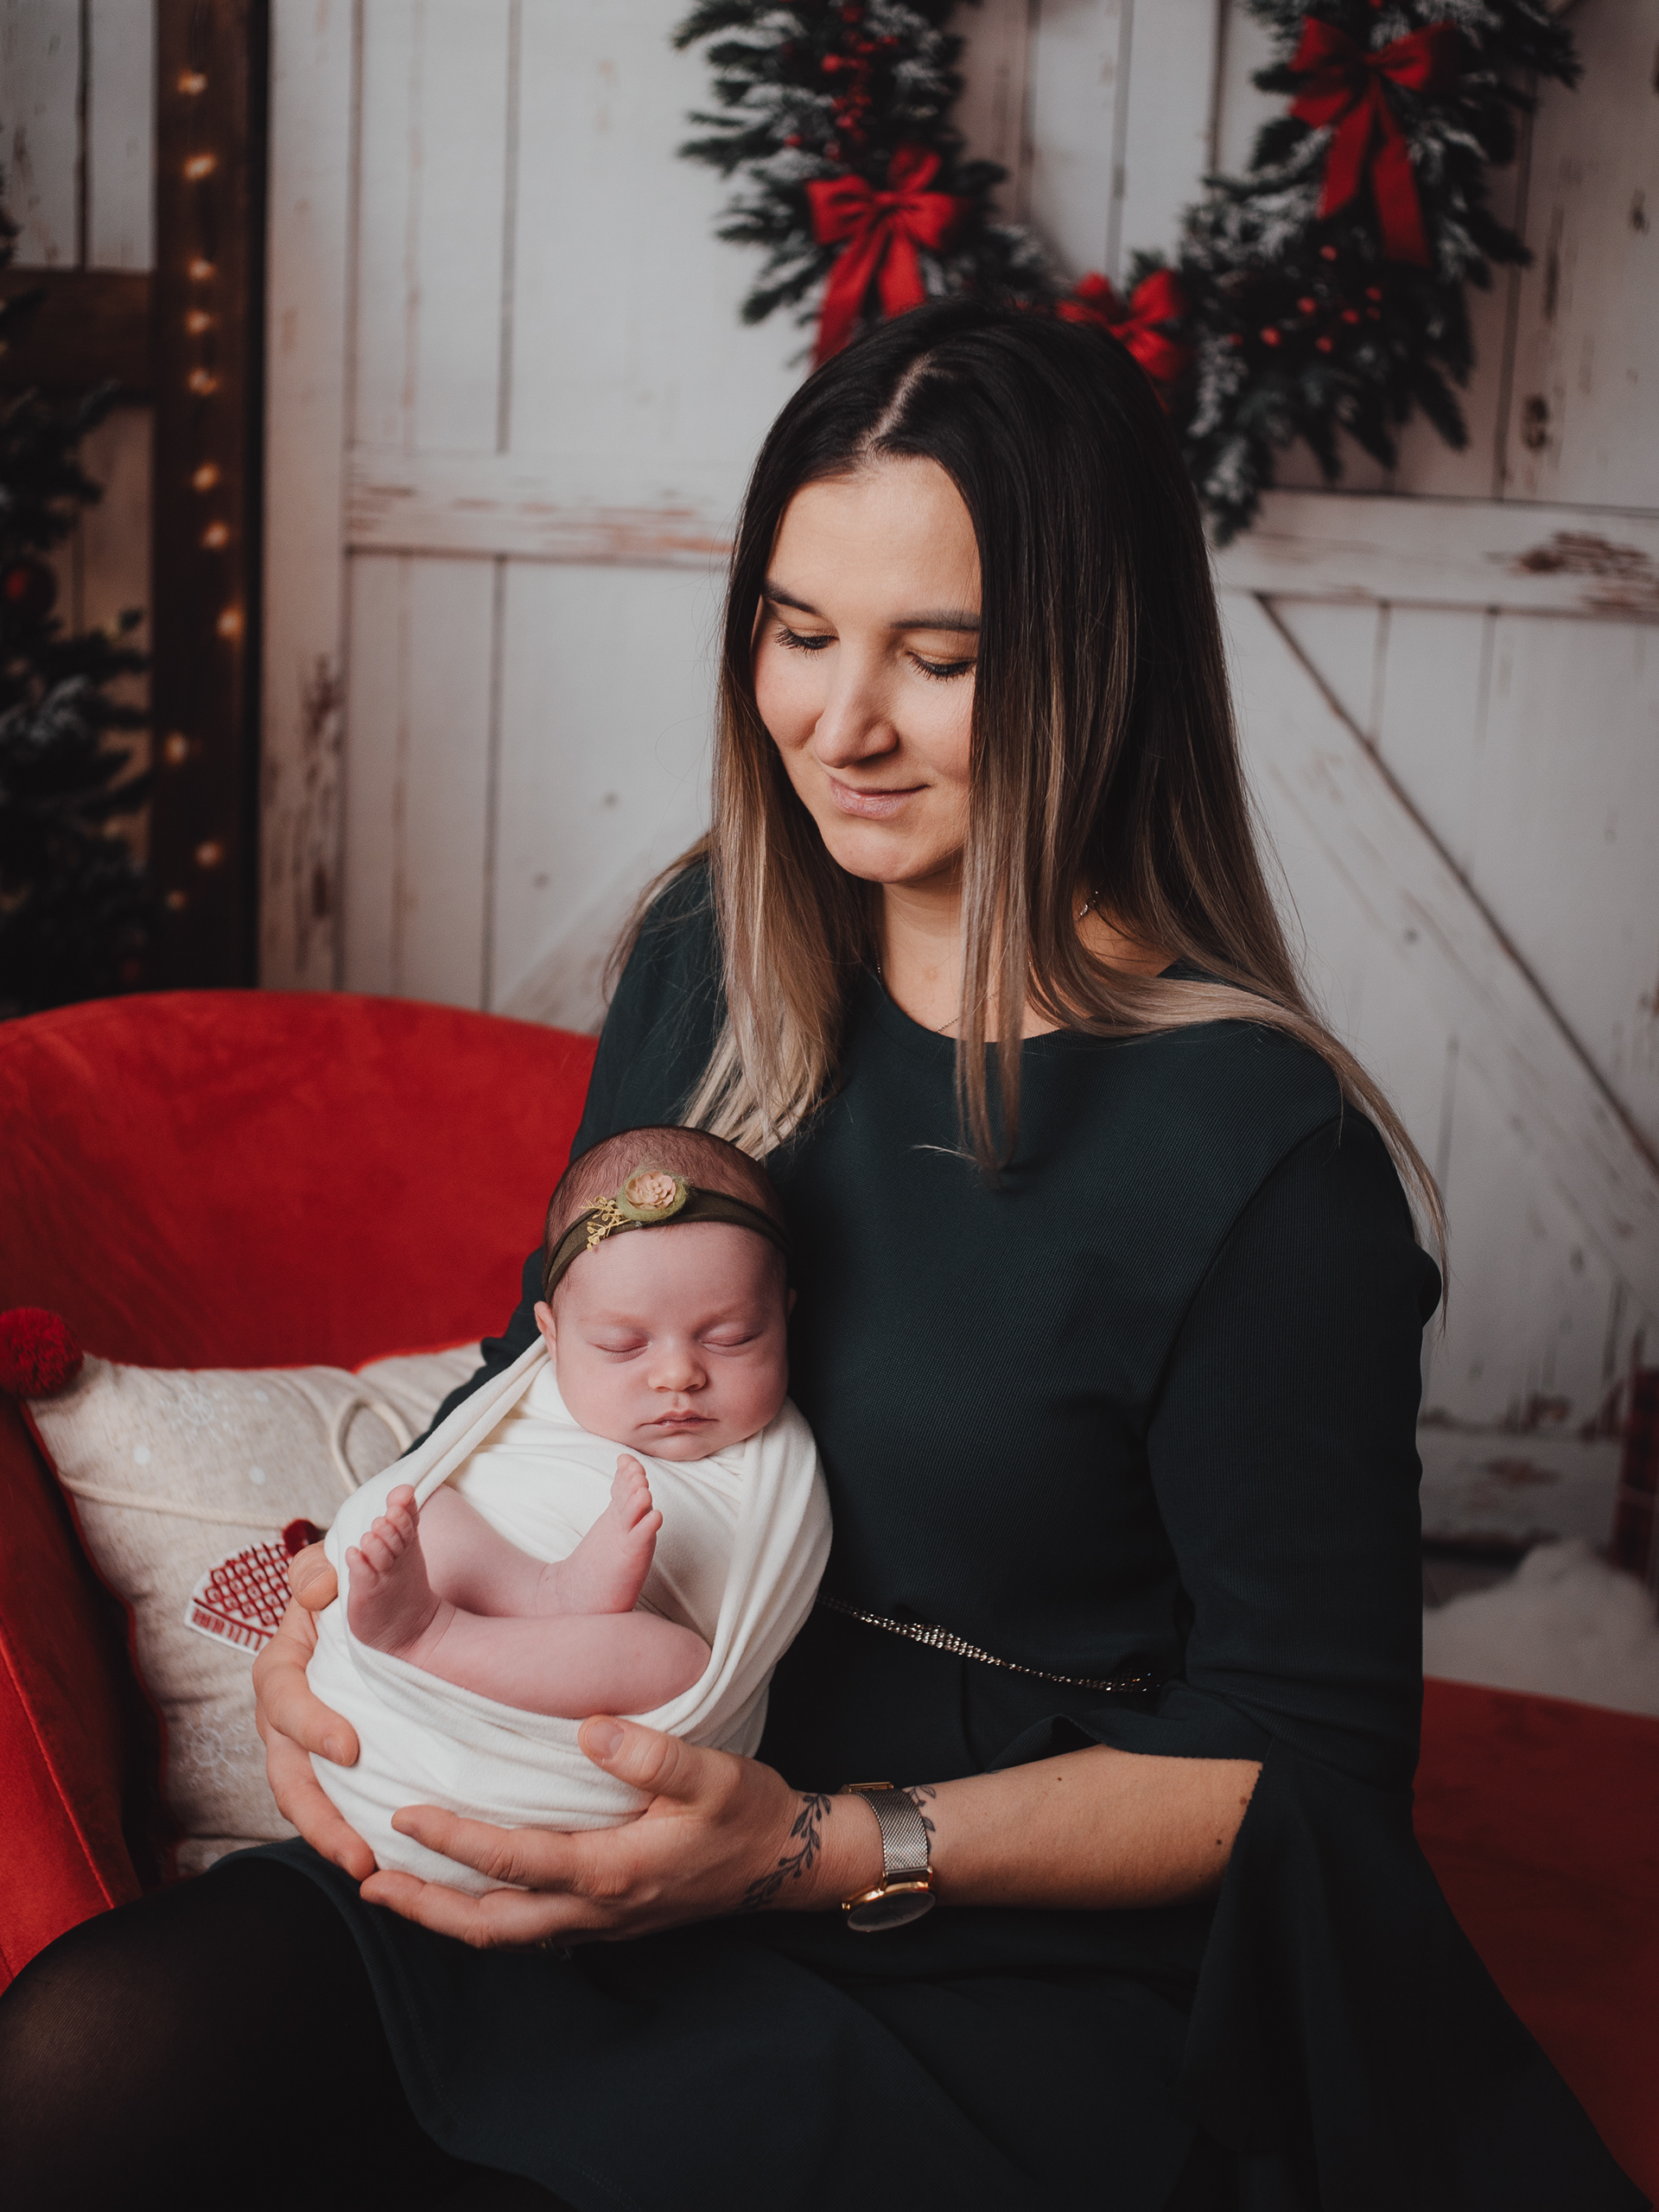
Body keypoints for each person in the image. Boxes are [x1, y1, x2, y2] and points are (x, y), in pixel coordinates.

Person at [0, 299, 1643, 2212]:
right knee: (88, 2066)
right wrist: (322, 1611)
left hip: (983, 1926)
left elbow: (1306, 1759)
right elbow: (544, 1367)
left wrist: (807, 1849)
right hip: (607, 1768)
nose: (839, 724)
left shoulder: (1273, 1166)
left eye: (939, 659)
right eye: (797, 632)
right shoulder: (711, 954)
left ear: (1100, 667)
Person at [306, 1128, 830, 1896]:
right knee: (424, 1505)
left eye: (731, 1338)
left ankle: (437, 1637)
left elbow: (745, 1638)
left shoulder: (777, 1469)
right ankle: (541, 1595)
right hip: (393, 1711)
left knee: (677, 1664)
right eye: (621, 1346)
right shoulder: (532, 1398)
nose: (678, 1374)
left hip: (547, 1733)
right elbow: (439, 1468)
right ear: (551, 1338)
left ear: (784, 1318)